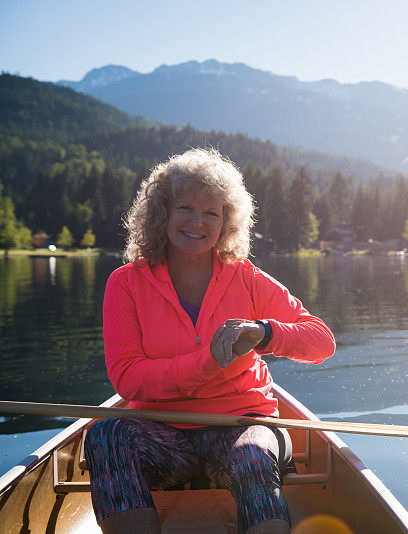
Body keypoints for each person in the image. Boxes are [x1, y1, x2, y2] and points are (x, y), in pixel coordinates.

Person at [84, 148, 335, 534]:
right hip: (162, 433)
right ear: (162, 213)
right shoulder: (126, 283)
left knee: (251, 456)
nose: (197, 222)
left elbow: (322, 342)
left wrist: (264, 333)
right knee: (105, 434)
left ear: (226, 222)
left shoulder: (246, 276)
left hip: (242, 424)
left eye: (212, 212)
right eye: (185, 208)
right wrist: (209, 362)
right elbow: (128, 379)